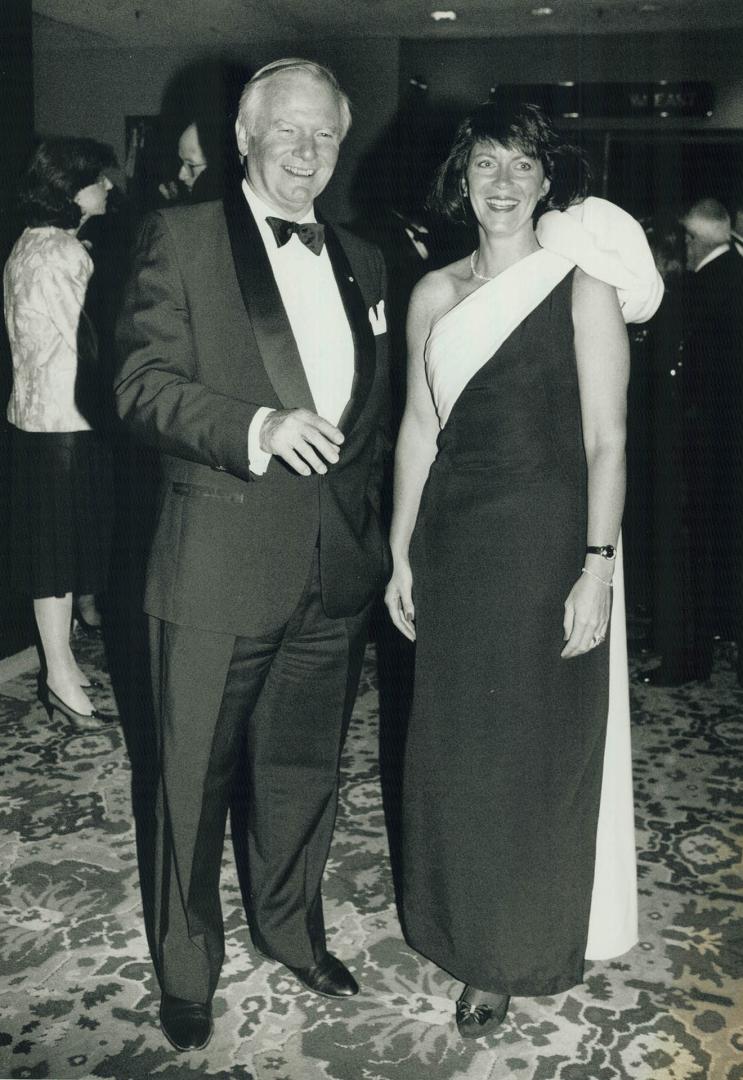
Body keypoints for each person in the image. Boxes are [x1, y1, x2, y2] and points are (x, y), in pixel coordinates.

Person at [115, 59, 389, 1052]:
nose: (308, 152)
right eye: (288, 132)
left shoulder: (364, 257)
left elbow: (373, 420)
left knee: (298, 774)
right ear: (245, 135)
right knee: (188, 782)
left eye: (324, 134)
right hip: (215, 568)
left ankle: (289, 929)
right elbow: (139, 385)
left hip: (332, 572)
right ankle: (186, 971)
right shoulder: (179, 239)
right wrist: (256, 425)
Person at [385, 101, 662, 1039]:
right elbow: (419, 432)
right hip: (454, 546)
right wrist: (398, 548)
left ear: (548, 182)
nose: (501, 184)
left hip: (548, 547)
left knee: (527, 754)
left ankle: (506, 955)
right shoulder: (431, 293)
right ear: (460, 179)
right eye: (485, 165)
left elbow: (607, 440)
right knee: (454, 752)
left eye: (520, 167)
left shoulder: (579, 288)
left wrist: (596, 566)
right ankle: (456, 923)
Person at [4, 136, 117, 728]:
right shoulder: (61, 254)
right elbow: (90, 342)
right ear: (69, 189)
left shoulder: (32, 246)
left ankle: (62, 666)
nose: (108, 188)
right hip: (65, 425)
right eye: (99, 180)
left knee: (58, 551)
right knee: (56, 555)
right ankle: (59, 674)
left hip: (36, 419)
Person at [672, 198, 743, 684]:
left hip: (705, 438)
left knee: (693, 548)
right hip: (730, 437)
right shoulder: (737, 274)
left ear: (694, 240)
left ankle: (691, 660)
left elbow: (686, 367)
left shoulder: (705, 286)